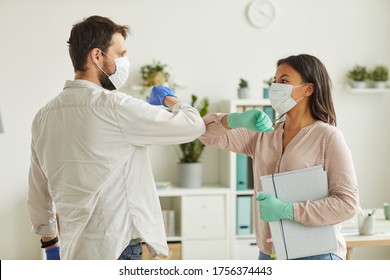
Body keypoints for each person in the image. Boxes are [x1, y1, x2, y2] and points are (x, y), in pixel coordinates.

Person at [27, 15, 205, 260]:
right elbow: (193, 125)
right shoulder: (115, 106)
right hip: (116, 248)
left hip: (74, 250)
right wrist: (168, 98)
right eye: (120, 54)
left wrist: (49, 242)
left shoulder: (43, 116)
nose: (124, 62)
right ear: (97, 56)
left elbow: (38, 189)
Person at [199, 54, 359, 260]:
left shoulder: (328, 137)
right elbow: (205, 134)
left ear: (308, 89)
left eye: (284, 81)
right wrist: (232, 119)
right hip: (269, 256)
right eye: (274, 81)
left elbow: (347, 204)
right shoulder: (262, 134)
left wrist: (289, 210)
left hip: (316, 255)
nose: (276, 87)